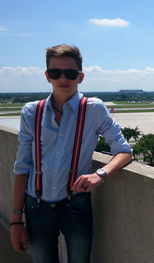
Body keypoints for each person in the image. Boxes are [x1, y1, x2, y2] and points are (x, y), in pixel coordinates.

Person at [10, 44, 132, 263]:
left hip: (75, 204)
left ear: (81, 77)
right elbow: (22, 166)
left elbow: (124, 151)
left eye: (70, 73)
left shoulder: (93, 109)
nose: (63, 79)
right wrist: (16, 220)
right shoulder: (32, 112)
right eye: (56, 73)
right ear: (47, 76)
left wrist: (100, 174)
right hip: (36, 206)